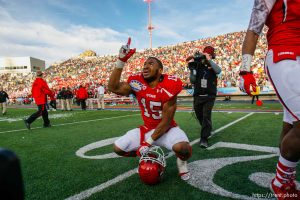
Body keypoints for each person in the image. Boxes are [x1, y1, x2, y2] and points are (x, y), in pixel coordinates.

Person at [239, 0, 300, 199]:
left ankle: (285, 177)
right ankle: (281, 183)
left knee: (291, 124)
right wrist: (245, 70)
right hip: (286, 53)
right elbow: (254, 28)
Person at [108, 38, 192, 181]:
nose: (145, 67)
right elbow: (113, 87)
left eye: (150, 64)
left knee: (183, 149)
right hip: (147, 128)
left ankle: (182, 162)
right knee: (118, 148)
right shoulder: (137, 83)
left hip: (167, 129)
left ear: (160, 70)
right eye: (144, 64)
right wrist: (121, 61)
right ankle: (148, 156)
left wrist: (147, 143)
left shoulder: (169, 84)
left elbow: (166, 121)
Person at [187, 46, 222, 148]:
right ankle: (207, 129)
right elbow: (193, 80)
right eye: (205, 54)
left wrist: (209, 60)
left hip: (209, 95)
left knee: (206, 115)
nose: (205, 56)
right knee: (200, 116)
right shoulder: (198, 66)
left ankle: (204, 138)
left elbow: (218, 71)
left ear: (211, 56)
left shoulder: (212, 66)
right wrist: (192, 69)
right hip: (198, 95)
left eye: (209, 54)